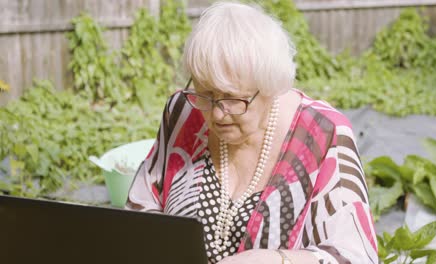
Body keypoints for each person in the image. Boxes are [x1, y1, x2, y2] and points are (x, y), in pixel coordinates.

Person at [125, 1, 378, 263]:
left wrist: (274, 260)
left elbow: (356, 256)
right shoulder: (184, 111)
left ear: (270, 87)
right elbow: (139, 209)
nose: (217, 113)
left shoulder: (324, 134)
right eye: (206, 93)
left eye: (233, 99)